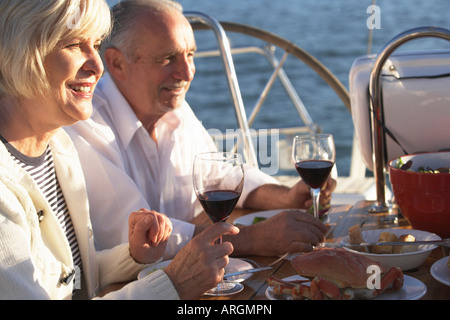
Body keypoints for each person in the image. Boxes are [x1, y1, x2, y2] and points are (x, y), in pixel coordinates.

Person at [0, 0, 239, 300]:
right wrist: (173, 285)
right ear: (18, 52)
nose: (97, 65)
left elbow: (67, 279)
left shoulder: (57, 148)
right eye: (75, 45)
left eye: (96, 45)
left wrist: (133, 256)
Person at [67, 0, 334, 256]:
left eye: (190, 55)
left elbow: (220, 178)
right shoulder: (86, 124)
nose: (187, 73)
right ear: (116, 63)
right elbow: (133, 235)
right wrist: (253, 239)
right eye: (168, 59)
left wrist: (285, 197)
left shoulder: (174, 109)